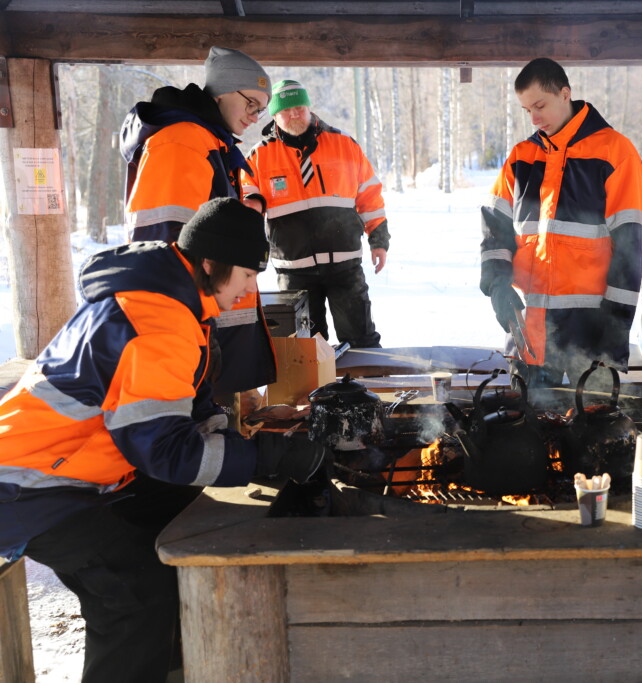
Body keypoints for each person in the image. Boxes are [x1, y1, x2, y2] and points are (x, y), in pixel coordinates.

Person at [0, 198, 328, 682]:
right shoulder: (157, 323)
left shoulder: (174, 302)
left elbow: (186, 409)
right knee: (135, 594)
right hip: (29, 487)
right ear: (211, 264)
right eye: (245, 275)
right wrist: (264, 457)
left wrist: (240, 443)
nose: (248, 289)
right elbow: (165, 451)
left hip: (74, 468)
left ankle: (179, 663)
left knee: (189, 513)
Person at [480, 58, 642, 390]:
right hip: (529, 334)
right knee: (522, 436)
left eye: (540, 105)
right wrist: (498, 285)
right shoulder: (521, 157)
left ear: (564, 93)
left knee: (595, 435)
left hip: (590, 337)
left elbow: (631, 246)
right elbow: (494, 226)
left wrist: (612, 333)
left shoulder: (616, 153)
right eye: (527, 110)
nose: (534, 117)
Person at [120, 45, 276, 395]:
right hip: (190, 335)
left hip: (206, 330)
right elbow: (165, 243)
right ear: (221, 92)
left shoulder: (211, 143)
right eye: (251, 102)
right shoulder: (183, 142)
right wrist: (199, 333)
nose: (255, 116)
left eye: (262, 109)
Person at [241, 79, 389, 348]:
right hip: (294, 271)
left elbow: (369, 196)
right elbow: (246, 203)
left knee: (361, 342)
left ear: (309, 108)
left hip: (344, 266)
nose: (294, 114)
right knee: (302, 349)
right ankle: (310, 392)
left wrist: (379, 241)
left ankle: (362, 389)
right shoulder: (258, 156)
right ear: (275, 115)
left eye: (299, 107)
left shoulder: (344, 145)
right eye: (286, 110)